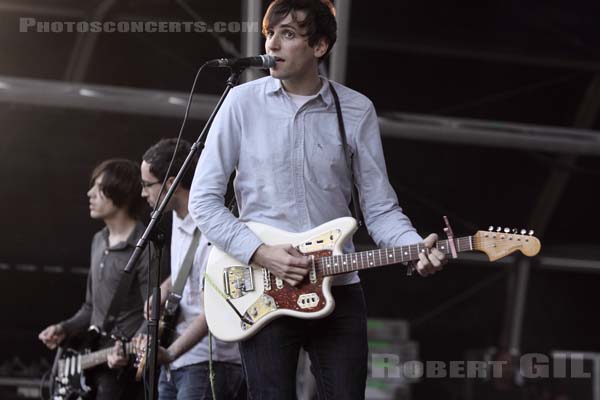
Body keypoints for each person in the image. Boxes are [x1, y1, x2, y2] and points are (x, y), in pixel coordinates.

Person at [188, 0, 448, 398]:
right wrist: (260, 252)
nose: (273, 43)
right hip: (262, 287)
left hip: (339, 284)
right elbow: (203, 200)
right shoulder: (241, 103)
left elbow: (379, 209)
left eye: (288, 34)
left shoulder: (357, 110)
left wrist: (415, 249)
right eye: (270, 33)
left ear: (320, 47)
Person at [138, 138, 243, 399]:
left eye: (147, 185)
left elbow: (215, 309)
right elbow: (192, 270)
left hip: (209, 361)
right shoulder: (177, 215)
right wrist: (164, 288)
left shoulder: (213, 228)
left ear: (171, 184)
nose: (143, 193)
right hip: (178, 360)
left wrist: (171, 352)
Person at [38, 159, 150, 400]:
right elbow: (91, 308)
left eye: (99, 188)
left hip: (123, 370)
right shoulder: (98, 240)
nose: (90, 194)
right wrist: (64, 328)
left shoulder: (145, 247)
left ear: (121, 193)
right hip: (92, 360)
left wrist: (129, 348)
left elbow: (154, 313)